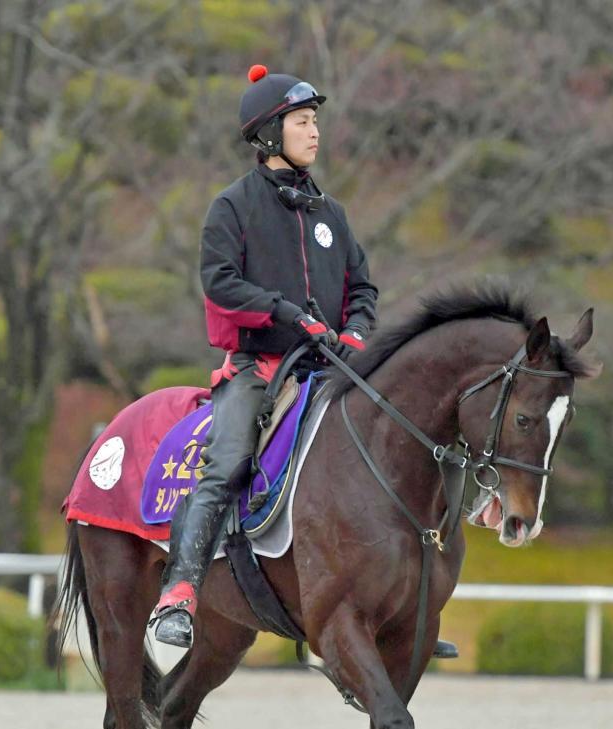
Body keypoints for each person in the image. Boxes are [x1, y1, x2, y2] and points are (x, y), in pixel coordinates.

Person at [152, 64, 458, 661]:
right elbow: (219, 283)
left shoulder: (331, 214)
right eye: (302, 122)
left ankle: (401, 605)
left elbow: (363, 288)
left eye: (315, 121)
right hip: (259, 369)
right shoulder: (231, 208)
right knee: (229, 461)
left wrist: (358, 330)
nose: (314, 132)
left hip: (330, 369)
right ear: (269, 134)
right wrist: (288, 313)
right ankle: (179, 595)